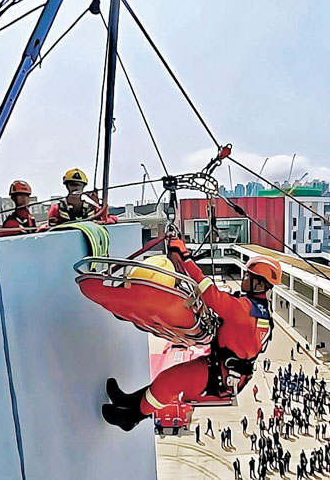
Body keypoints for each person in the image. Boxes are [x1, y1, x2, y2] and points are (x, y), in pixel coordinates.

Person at [102, 242, 282, 431]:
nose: (244, 278)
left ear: (260, 284)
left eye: (248, 276)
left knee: (169, 382)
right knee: (167, 379)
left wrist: (186, 258)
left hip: (220, 374)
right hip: (225, 371)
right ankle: (129, 401)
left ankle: (132, 417)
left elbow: (210, 294)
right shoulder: (262, 314)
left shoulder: (244, 310)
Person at [47, 168, 117, 226]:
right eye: (72, 185)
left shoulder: (92, 208)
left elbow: (110, 218)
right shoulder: (57, 209)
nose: (76, 188)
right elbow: (51, 229)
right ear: (67, 186)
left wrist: (97, 203)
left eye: (79, 185)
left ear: (83, 187)